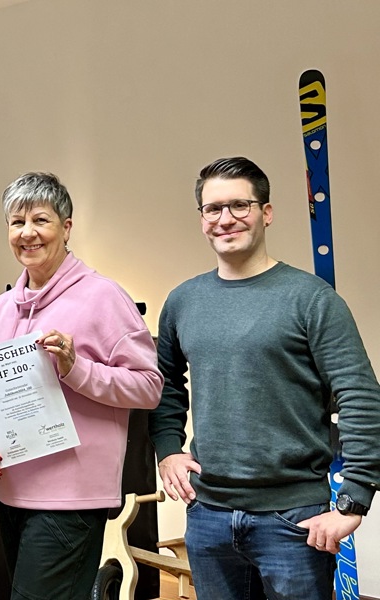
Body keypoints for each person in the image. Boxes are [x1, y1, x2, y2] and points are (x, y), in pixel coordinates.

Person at [148, 156, 380, 600]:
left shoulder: (311, 299)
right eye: (213, 209)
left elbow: (360, 396)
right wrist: (167, 451)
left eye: (240, 205)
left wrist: (355, 498)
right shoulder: (183, 301)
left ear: (266, 213)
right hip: (208, 515)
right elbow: (166, 385)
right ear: (202, 219)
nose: (225, 219)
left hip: (293, 520)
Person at [0, 171, 162, 600]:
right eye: (17, 222)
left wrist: (77, 368)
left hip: (72, 500)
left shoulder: (104, 297)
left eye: (41, 219)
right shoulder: (0, 309)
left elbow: (149, 386)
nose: (28, 233)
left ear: (66, 227)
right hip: (12, 494)